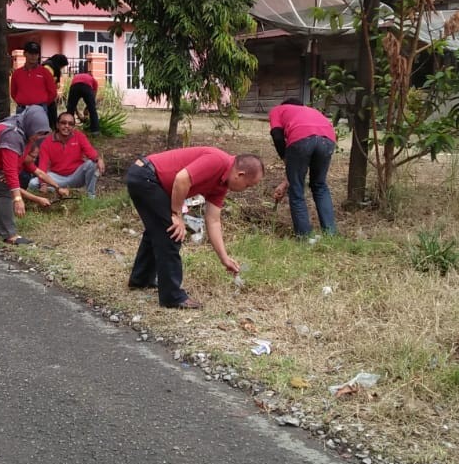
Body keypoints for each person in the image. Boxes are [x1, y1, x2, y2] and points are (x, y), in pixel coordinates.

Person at [126, 148, 265, 309]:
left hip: (148, 177)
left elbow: (213, 221)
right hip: (146, 176)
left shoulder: (221, 185)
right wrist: (177, 215)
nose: (245, 189)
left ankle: (140, 279)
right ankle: (172, 297)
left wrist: (224, 258)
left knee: (158, 229)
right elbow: (182, 179)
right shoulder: (218, 161)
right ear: (239, 175)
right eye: (247, 185)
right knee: (172, 232)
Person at [0, 106, 53, 246]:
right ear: (30, 125)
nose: (38, 137)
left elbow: (22, 165)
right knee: (4, 190)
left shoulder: (23, 127)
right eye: (38, 133)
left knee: (5, 186)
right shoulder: (13, 134)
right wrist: (17, 198)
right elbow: (9, 170)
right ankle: (10, 234)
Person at [268, 99, 337, 238]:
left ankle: (304, 236)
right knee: (320, 185)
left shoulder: (278, 110)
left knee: (297, 189)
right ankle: (330, 234)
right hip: (328, 140)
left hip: (301, 139)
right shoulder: (311, 111)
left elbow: (277, 135)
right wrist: (286, 179)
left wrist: (285, 157)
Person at [36, 112, 104, 198]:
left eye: (70, 124)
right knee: (33, 183)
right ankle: (57, 190)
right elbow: (43, 165)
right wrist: (43, 183)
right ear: (57, 125)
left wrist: (99, 159)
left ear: (73, 127)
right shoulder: (46, 142)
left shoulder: (79, 136)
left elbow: (90, 152)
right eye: (63, 123)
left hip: (76, 176)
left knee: (92, 164)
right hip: (57, 178)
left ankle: (91, 196)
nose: (67, 126)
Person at [9, 41, 58, 129]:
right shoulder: (17, 73)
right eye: (30, 53)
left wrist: (43, 103)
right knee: (21, 134)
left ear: (38, 55)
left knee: (40, 134)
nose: (33, 56)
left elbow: (53, 92)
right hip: (22, 109)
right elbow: (13, 92)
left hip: (40, 109)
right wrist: (22, 101)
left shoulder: (45, 72)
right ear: (25, 54)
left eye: (35, 53)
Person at [67, 62, 101, 134]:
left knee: (70, 108)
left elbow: (72, 104)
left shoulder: (76, 76)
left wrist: (77, 113)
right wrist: (88, 108)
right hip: (87, 88)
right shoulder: (93, 79)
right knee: (93, 110)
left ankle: (68, 129)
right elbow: (93, 98)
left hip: (74, 87)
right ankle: (95, 131)